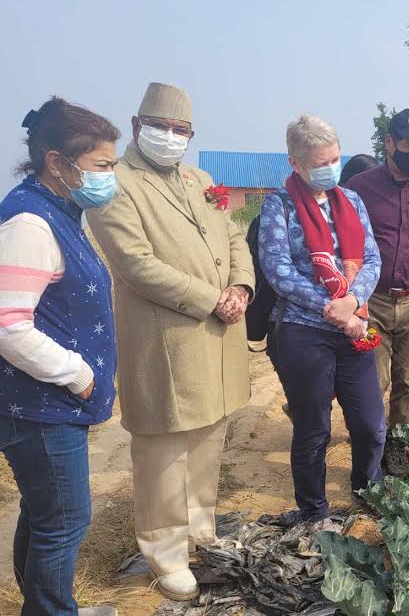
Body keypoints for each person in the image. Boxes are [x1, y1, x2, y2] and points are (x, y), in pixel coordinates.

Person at [86, 83, 255, 601]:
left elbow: (233, 238)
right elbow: (136, 264)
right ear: (137, 127)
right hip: (168, 337)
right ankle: (164, 550)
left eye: (180, 130)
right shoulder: (116, 184)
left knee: (208, 436)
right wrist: (211, 297)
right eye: (160, 127)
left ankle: (200, 530)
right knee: (163, 447)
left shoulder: (200, 178)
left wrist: (242, 285)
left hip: (219, 331)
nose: (171, 137)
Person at [0, 98, 120, 616]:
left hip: (48, 403)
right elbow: (7, 323)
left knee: (47, 513)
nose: (110, 177)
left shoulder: (60, 211)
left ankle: (46, 605)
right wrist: (77, 374)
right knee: (67, 520)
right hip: (40, 405)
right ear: (57, 162)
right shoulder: (29, 224)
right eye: (102, 166)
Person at [259, 114, 385, 532]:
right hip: (304, 330)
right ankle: (314, 511)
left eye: (334, 158)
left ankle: (367, 495)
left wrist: (352, 301)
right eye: (319, 162)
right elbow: (277, 270)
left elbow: (371, 258)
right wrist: (330, 307)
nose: (329, 168)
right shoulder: (278, 205)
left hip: (354, 325)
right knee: (314, 426)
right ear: (296, 163)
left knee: (369, 422)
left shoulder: (351, 201)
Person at [346, 108, 409, 476]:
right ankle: (368, 449)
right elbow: (346, 244)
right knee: (373, 381)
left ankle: (397, 446)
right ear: (389, 143)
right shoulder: (360, 189)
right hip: (372, 302)